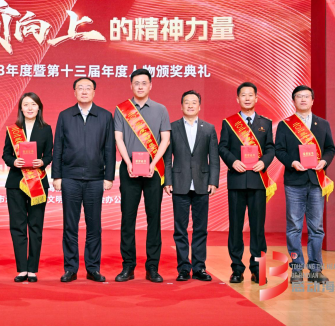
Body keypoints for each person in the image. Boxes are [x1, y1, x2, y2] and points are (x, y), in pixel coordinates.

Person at [53, 77, 115, 283]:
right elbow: (58, 147)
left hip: (95, 179)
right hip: (70, 178)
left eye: (88, 88)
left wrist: (108, 176)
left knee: (94, 225)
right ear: (74, 92)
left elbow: (109, 149)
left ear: (94, 92)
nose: (84, 91)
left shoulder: (105, 116)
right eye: (80, 88)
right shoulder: (65, 116)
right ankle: (70, 268)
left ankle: (93, 268)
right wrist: (57, 176)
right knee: (70, 225)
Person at [114, 69, 170, 283]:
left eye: (144, 83)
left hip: (154, 170)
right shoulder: (122, 109)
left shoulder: (161, 109)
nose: (140, 86)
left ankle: (152, 267)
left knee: (154, 218)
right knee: (127, 219)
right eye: (136, 83)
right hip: (129, 169)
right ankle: (128, 266)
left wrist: (153, 164)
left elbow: (165, 140)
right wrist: (128, 163)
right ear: (131, 85)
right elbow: (118, 138)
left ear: (150, 85)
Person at [274, 85, 335, 284]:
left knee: (316, 227)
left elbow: (330, 149)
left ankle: (316, 270)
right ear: (293, 101)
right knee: (294, 227)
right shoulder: (285, 125)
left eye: (306, 96)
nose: (303, 99)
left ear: (312, 100)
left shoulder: (323, 124)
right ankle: (297, 269)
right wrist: (292, 162)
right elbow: (279, 150)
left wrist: (324, 162)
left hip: (316, 181)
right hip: (294, 181)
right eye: (299, 96)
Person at [219, 82, 276, 284]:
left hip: (258, 181)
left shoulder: (265, 123)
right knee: (235, 227)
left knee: (258, 228)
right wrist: (233, 161)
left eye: (250, 95)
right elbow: (222, 147)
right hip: (236, 180)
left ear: (256, 98)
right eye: (243, 95)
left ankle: (258, 269)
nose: (247, 98)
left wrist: (264, 162)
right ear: (238, 99)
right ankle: (237, 269)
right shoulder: (229, 122)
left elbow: (271, 148)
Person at [164, 90, 219, 282]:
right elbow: (167, 159)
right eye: (186, 102)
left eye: (194, 102)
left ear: (199, 106)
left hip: (202, 184)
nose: (190, 105)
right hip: (179, 184)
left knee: (200, 228)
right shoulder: (172, 128)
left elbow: (214, 158)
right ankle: (183, 268)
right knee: (180, 229)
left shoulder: (209, 128)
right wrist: (168, 181)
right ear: (181, 106)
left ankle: (199, 267)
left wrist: (213, 181)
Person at [3, 93, 53, 283]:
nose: (30, 108)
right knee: (17, 226)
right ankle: (22, 269)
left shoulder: (46, 129)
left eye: (33, 104)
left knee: (35, 225)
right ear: (21, 108)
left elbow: (50, 154)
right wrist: (14, 162)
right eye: (26, 104)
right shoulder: (13, 129)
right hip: (16, 183)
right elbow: (6, 154)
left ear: (39, 107)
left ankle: (32, 269)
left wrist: (43, 162)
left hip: (37, 183)